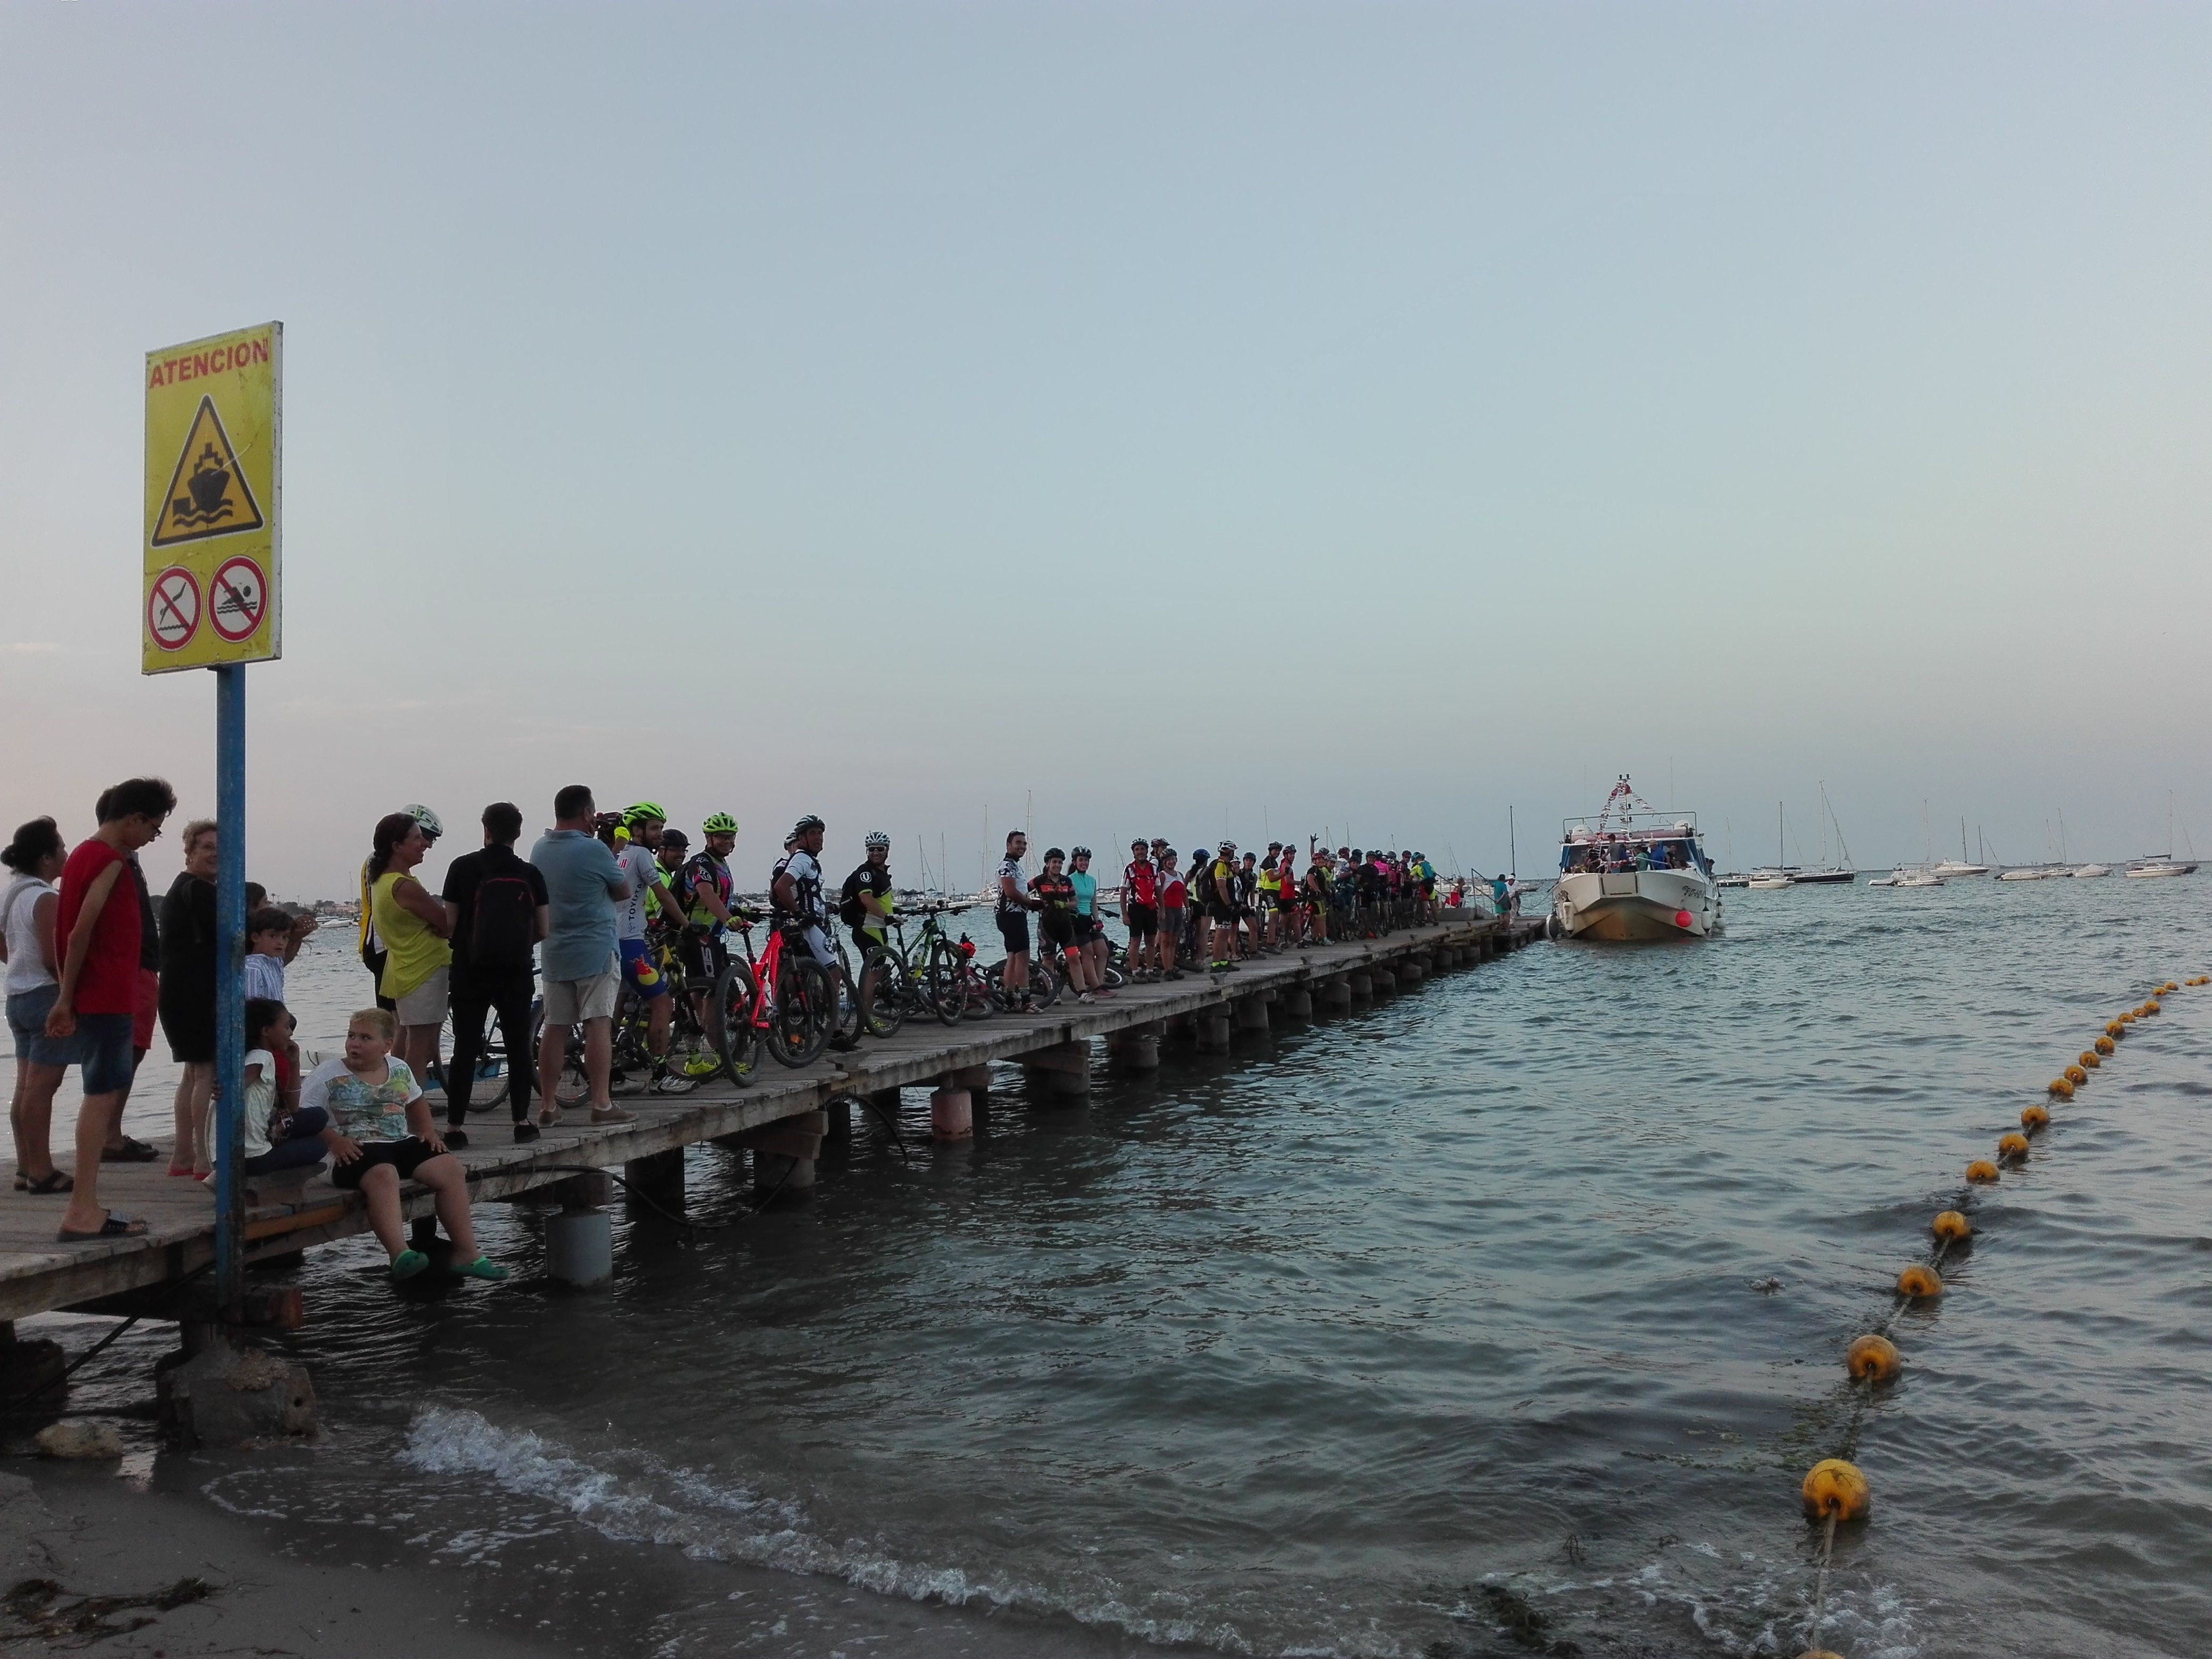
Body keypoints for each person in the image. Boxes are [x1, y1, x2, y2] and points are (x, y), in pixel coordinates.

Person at [48, 777, 175, 1241]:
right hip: (105, 997)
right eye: (154, 829)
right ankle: (82, 1210)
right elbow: (80, 932)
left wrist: (67, 993)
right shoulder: (110, 861)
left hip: (99, 995)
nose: (152, 838)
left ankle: (85, 1205)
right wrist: (66, 998)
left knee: (100, 1095)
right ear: (133, 819)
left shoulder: (83, 856)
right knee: (100, 1098)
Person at [305, 1007, 505, 1285]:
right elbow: (304, 1117)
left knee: (450, 1169)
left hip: (397, 1140)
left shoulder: (399, 1069)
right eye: (352, 1036)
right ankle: (400, 1255)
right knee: (385, 1174)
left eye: (365, 1038)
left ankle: (466, 1253)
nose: (355, 1043)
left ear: (387, 1045)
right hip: (349, 1148)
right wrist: (334, 1141)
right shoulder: (328, 1073)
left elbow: (416, 1101)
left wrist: (425, 1131)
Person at [441, 802, 550, 1146]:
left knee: (465, 1047)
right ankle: (521, 1122)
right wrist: (517, 947)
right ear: (517, 834)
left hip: (469, 970)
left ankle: (455, 1128)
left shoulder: (462, 867)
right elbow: (543, 929)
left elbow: (450, 925)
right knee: (519, 1047)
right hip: (516, 972)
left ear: (485, 829)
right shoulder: (531, 874)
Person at [530, 785, 633, 1126]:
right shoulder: (595, 850)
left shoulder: (539, 848)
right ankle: (602, 1104)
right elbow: (623, 891)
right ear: (588, 813)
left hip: (555, 951)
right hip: (596, 950)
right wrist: (613, 848)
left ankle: (547, 1106)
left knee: (555, 1029)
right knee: (597, 1024)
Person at [5, 817, 73, 1193]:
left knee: (24, 1086)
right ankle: (43, 1171)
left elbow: (5, 945)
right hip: (45, 994)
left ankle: (25, 1166)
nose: (66, 854)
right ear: (46, 858)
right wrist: (68, 995)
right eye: (61, 848)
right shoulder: (45, 897)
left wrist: (18, 965)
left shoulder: (12, 893)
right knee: (43, 1087)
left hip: (17, 995)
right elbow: (53, 957)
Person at [611, 803, 696, 1095]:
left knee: (614, 1007)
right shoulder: (641, 855)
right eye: (654, 828)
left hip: (611, 941)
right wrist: (687, 924)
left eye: (661, 827)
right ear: (637, 830)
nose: (660, 834)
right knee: (662, 1003)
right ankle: (660, 1075)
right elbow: (662, 894)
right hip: (632, 943)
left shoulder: (617, 853)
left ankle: (612, 1075)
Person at [366, 812, 454, 1089]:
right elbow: (446, 923)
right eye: (418, 838)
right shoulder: (403, 885)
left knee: (409, 1046)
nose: (425, 844)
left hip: (406, 969)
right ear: (396, 846)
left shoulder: (381, 881)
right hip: (423, 970)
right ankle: (410, 1110)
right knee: (420, 1049)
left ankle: (402, 1104)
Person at [156, 819, 220, 1177]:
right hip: (195, 993)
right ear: (190, 852)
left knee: (192, 1074)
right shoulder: (199, 891)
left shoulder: (182, 889)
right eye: (207, 847)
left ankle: (182, 1156)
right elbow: (233, 937)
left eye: (220, 849)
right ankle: (202, 1159)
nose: (215, 855)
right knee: (204, 1074)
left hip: (176, 992)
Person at [357, 805, 442, 1010]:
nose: (427, 844)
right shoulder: (383, 864)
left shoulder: (390, 866)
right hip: (385, 947)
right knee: (395, 1024)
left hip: (388, 946)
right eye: (424, 837)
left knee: (399, 1024)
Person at [237, 998, 328, 1188]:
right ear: (266, 1031)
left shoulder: (257, 1056)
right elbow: (236, 1087)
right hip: (252, 1157)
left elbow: (293, 1108)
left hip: (255, 1141)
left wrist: (294, 1063)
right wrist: (222, 1089)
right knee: (319, 1146)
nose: (290, 1033)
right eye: (286, 1027)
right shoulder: (260, 1057)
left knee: (318, 1116)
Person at [674, 815, 740, 1073]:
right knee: (708, 995)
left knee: (709, 994)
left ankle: (708, 1053)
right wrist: (728, 918)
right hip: (696, 937)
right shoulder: (701, 863)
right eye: (722, 836)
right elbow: (706, 894)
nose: (728, 841)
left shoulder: (719, 863)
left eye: (731, 837)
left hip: (711, 937)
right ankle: (712, 1056)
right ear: (709, 838)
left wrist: (738, 913)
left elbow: (720, 899)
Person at [1030, 848, 1095, 1003]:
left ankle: (1082, 993)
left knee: (1073, 958)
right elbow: (1021, 891)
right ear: (1047, 864)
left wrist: (1065, 904)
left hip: (1065, 925)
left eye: (1060, 862)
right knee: (1049, 960)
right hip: (1047, 926)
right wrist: (1033, 904)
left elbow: (1074, 902)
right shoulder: (1039, 880)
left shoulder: (1067, 881)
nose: (1058, 865)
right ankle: (1052, 994)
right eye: (1054, 862)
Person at [994, 831, 1041, 1011]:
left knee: (1013, 958)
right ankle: (1026, 1000)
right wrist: (1031, 904)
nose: (1022, 846)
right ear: (1008, 845)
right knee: (1023, 957)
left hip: (1014, 915)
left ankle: (1010, 1000)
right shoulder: (1007, 866)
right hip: (1011, 916)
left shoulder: (1015, 865)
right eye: (1018, 843)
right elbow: (1010, 892)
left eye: (1024, 844)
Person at [840, 832, 895, 962]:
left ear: (887, 850)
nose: (875, 853)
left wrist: (894, 912)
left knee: (882, 968)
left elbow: (880, 901)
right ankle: (866, 984)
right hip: (866, 927)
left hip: (879, 926)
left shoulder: (882, 873)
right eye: (871, 849)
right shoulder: (865, 872)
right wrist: (887, 917)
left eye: (880, 849)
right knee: (875, 968)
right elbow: (866, 899)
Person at [1068, 848, 1113, 995]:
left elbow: (1093, 904)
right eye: (1081, 860)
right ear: (1075, 862)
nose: (1084, 863)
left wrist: (1098, 920)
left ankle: (1099, 984)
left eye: (1086, 860)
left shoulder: (1092, 880)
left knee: (1103, 951)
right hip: (1076, 919)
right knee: (1088, 953)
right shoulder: (1069, 880)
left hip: (1089, 919)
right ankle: (1096, 987)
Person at [1120, 839, 1158, 983]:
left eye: (1142, 849)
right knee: (1135, 940)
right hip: (1135, 908)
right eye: (1137, 850)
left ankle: (1149, 970)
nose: (1140, 852)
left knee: (1151, 940)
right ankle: (1135, 972)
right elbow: (1123, 892)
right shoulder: (1129, 869)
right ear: (1133, 852)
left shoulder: (1153, 868)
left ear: (1147, 851)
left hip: (1151, 907)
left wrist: (1161, 910)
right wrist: (1124, 913)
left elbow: (1158, 889)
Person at [242, 906, 292, 1002]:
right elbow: (254, 1007)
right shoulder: (252, 968)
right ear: (255, 937)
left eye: (285, 937)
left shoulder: (275, 961)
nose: (280, 942)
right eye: (273, 936)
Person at [1155, 848, 1187, 980]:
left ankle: (1172, 967)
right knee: (1166, 940)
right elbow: (1156, 893)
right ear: (1164, 862)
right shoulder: (1162, 876)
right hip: (1167, 909)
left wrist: (1188, 908)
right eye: (1168, 860)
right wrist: (1161, 909)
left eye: (1173, 859)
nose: (1171, 862)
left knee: (1174, 940)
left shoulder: (1179, 875)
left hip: (1178, 909)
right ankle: (1167, 969)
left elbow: (1184, 893)